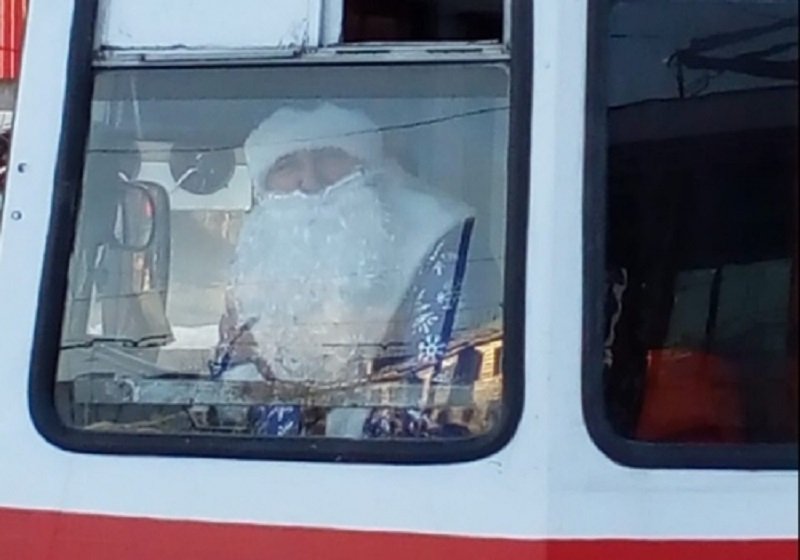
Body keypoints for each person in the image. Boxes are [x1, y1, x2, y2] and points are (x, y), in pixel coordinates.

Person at [213, 102, 473, 391]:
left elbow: (438, 383)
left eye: (329, 156)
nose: (310, 181)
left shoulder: (435, 237)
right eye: (287, 165)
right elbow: (227, 375)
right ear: (267, 184)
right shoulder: (257, 253)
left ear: (363, 165)